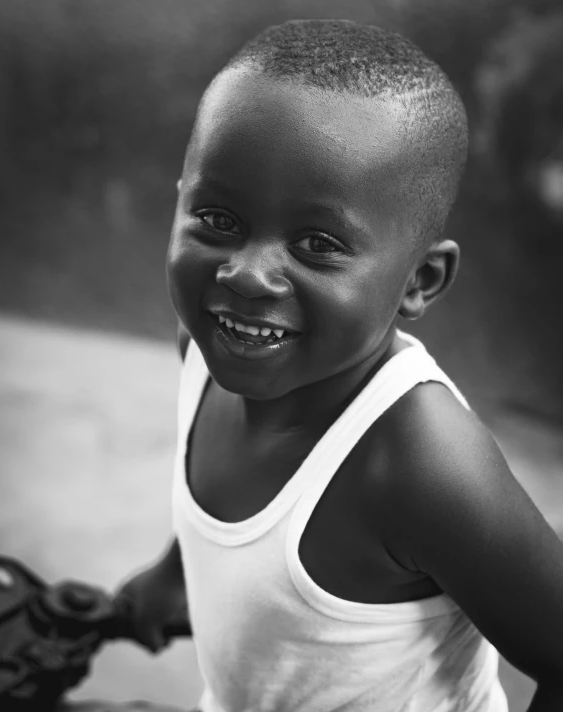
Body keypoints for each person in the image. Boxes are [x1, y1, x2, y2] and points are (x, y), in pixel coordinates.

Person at [117, 19, 563, 712]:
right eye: (220, 219)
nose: (247, 275)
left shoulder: (422, 463)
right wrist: (172, 578)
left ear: (420, 280)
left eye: (317, 243)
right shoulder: (202, 350)